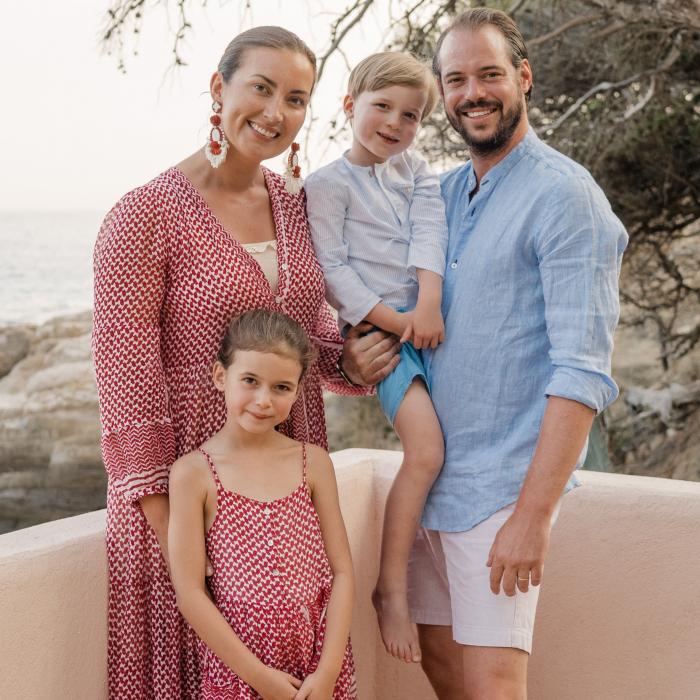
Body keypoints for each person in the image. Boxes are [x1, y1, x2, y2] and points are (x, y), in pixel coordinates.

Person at [92, 26, 392, 699]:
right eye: (261, 87)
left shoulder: (293, 207)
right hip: (182, 507)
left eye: (296, 98)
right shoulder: (144, 216)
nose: (275, 112)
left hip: (286, 492)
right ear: (219, 87)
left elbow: (308, 337)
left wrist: (352, 365)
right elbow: (128, 395)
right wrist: (192, 550)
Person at [400, 9, 629, 700]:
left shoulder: (567, 199)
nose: (474, 92)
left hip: (503, 489)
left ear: (523, 78)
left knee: (495, 682)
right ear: (442, 93)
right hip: (431, 486)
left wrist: (532, 515)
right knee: (439, 662)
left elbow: (582, 370)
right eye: (457, 79)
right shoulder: (437, 195)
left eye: (490, 74)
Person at [305, 51, 448, 665]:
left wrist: (432, 306)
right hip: (386, 341)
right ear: (349, 106)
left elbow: (430, 232)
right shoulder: (325, 185)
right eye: (382, 107)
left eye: (410, 114)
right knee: (427, 451)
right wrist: (401, 323)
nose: (395, 123)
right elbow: (333, 271)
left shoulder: (416, 169)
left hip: (436, 322)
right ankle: (392, 587)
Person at [168, 309, 357, 699]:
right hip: (239, 673)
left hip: (316, 666)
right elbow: (189, 593)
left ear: (299, 389)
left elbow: (342, 573)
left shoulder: (313, 463)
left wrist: (328, 672)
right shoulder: (193, 474)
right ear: (222, 377)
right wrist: (260, 677)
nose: (263, 400)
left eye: (281, 387)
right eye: (250, 381)